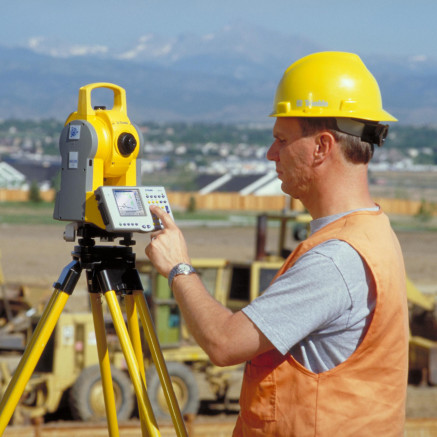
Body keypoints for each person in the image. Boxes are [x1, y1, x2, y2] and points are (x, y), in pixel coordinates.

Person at [145, 52, 409, 437]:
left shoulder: (335, 259)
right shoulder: (374, 231)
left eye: (281, 140)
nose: (271, 154)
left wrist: (178, 268)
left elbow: (223, 344)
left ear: (321, 147)